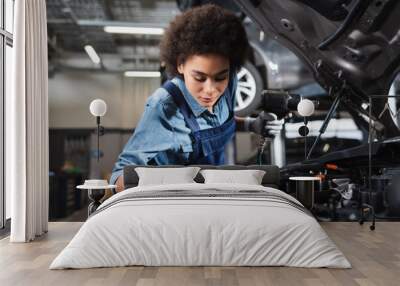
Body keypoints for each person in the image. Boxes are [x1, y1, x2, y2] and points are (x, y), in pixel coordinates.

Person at [110, 4, 281, 192]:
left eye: (220, 77)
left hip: (213, 192)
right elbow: (120, 173)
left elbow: (218, 123)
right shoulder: (164, 106)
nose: (211, 90)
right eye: (199, 78)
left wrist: (250, 124)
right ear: (180, 65)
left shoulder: (230, 82)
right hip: (173, 201)